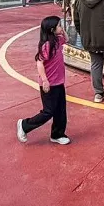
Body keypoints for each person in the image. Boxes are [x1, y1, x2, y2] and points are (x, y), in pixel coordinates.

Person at [16, 16, 70, 145]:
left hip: (59, 82)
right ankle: (25, 125)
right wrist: (45, 80)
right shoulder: (47, 45)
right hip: (49, 84)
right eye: (59, 25)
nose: (61, 27)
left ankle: (57, 134)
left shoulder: (58, 40)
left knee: (61, 110)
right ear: (52, 29)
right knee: (48, 111)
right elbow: (39, 62)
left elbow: (67, 40)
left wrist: (62, 31)